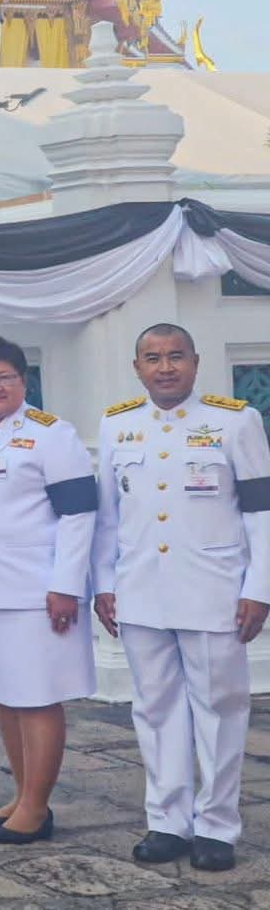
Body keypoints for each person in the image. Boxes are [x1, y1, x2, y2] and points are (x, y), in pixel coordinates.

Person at [94, 323, 270, 872]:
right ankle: (168, 821)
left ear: (195, 362)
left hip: (213, 591)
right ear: (137, 368)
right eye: (153, 358)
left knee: (220, 710)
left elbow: (261, 512)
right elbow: (107, 516)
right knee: (154, 710)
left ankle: (216, 826)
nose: (165, 367)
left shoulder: (235, 421)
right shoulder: (117, 424)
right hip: (141, 590)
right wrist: (104, 583)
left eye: (175, 356)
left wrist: (259, 588)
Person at [0, 335, 97, 845]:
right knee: (5, 695)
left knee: (37, 697)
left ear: (23, 381)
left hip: (35, 589)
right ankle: (22, 792)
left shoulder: (52, 435)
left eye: (4, 377)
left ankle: (37, 806)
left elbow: (78, 514)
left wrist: (66, 584)